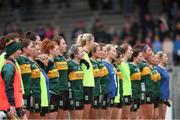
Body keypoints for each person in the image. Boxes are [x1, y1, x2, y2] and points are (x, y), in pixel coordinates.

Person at [0, 41, 23, 119]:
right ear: (14, 51)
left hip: (13, 105)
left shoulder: (11, 64)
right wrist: (12, 104)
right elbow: (8, 86)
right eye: (19, 50)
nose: (21, 52)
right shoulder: (9, 66)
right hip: (9, 107)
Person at [76, 33, 95, 119]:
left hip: (89, 86)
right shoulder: (82, 53)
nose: (94, 44)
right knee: (84, 116)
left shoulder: (86, 55)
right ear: (87, 42)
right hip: (84, 86)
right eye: (93, 41)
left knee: (87, 116)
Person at [41, 39, 60, 119]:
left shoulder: (54, 62)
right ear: (51, 50)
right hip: (50, 94)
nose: (59, 51)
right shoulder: (47, 63)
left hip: (56, 93)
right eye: (57, 49)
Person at [52, 35, 69, 119]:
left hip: (66, 90)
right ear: (57, 45)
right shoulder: (54, 59)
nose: (66, 45)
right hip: (59, 90)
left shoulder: (63, 58)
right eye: (63, 43)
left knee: (65, 117)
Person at [68, 44, 84, 119]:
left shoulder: (80, 64)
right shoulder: (69, 64)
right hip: (74, 95)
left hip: (81, 93)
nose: (83, 53)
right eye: (81, 52)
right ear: (75, 54)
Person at [138, 44, 154, 119]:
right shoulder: (140, 64)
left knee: (149, 116)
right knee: (145, 117)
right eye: (149, 50)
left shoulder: (146, 64)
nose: (151, 52)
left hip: (149, 91)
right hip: (144, 92)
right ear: (143, 53)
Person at [102, 44, 118, 119]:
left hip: (113, 93)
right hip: (107, 93)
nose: (116, 53)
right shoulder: (104, 64)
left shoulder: (111, 65)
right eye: (113, 51)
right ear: (107, 52)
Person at [118, 43, 133, 119]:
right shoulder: (119, 64)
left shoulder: (127, 64)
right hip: (123, 93)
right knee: (122, 117)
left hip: (128, 92)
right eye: (130, 50)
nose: (132, 52)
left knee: (126, 117)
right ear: (125, 52)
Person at [129, 48, 143, 119]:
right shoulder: (130, 66)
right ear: (134, 57)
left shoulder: (138, 67)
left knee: (138, 117)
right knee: (132, 117)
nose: (142, 58)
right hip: (133, 95)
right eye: (140, 56)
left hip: (138, 94)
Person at [111, 46, 125, 119]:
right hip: (115, 95)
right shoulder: (112, 67)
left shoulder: (117, 67)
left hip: (119, 94)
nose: (122, 60)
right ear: (116, 58)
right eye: (120, 58)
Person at [156, 51, 170, 119]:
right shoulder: (157, 69)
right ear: (160, 59)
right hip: (161, 96)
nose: (167, 58)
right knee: (161, 117)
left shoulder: (164, 69)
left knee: (163, 116)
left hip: (165, 96)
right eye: (165, 57)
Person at [89, 43, 101, 119]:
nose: (101, 52)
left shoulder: (97, 63)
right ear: (93, 52)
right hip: (92, 92)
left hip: (97, 91)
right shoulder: (90, 63)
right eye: (99, 50)